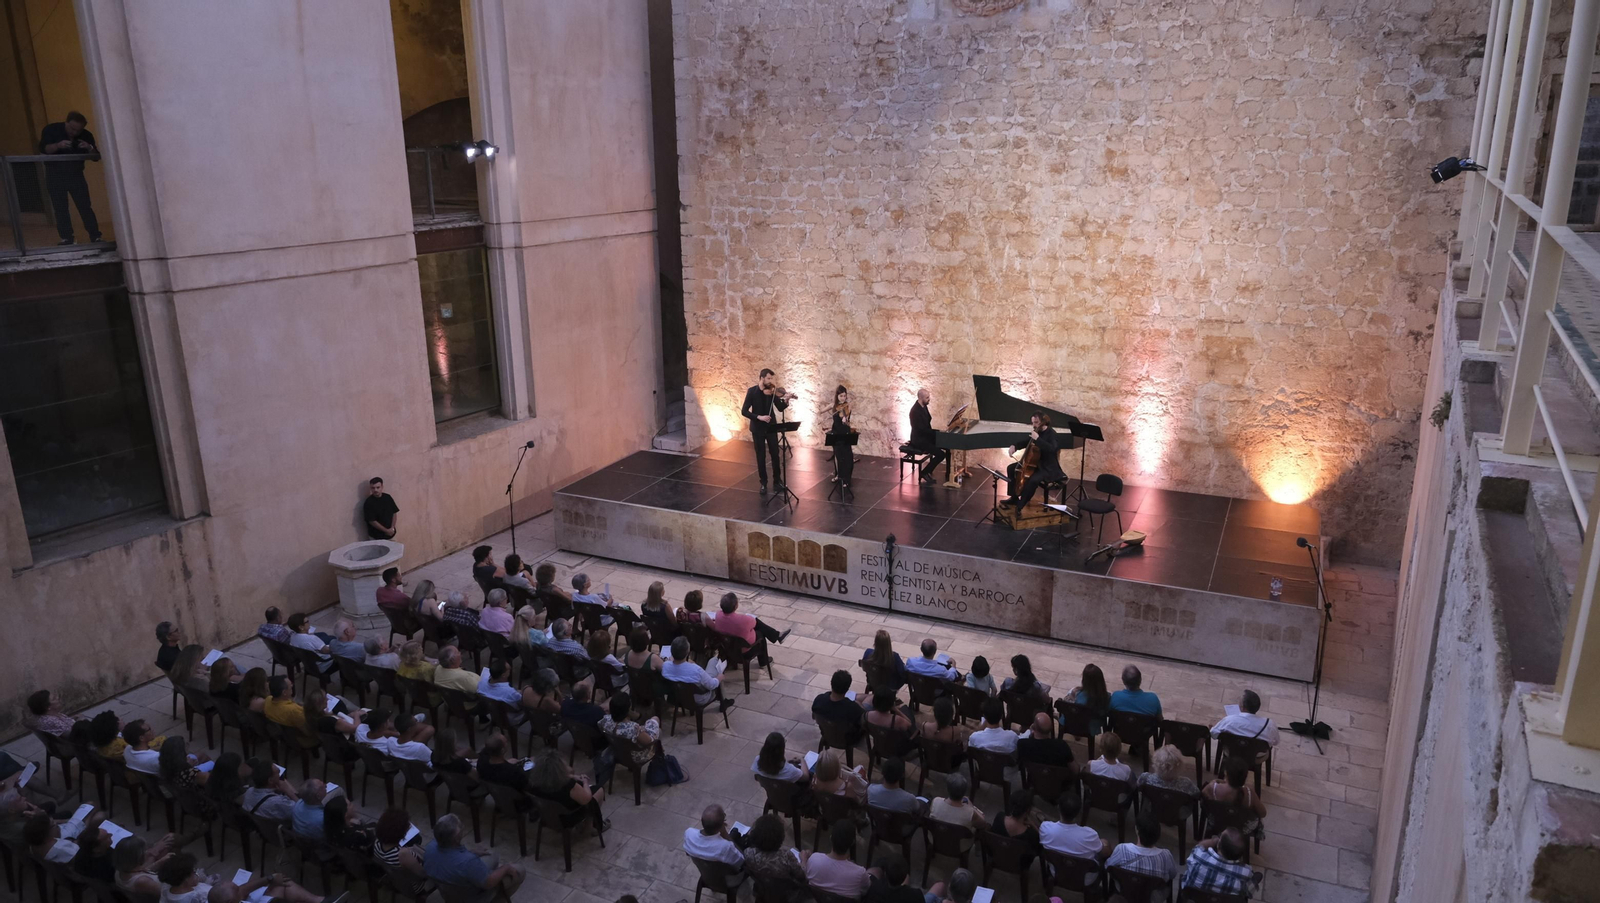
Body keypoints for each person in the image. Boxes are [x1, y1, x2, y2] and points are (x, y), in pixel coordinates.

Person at [423, 813, 523, 901]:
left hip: (449, 894)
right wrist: (506, 868)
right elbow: (489, 883)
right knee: (519, 870)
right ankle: (498, 900)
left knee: (492, 856)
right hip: (472, 898)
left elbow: (452, 859)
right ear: (457, 837)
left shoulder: (430, 848)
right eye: (461, 826)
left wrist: (470, 853)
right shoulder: (468, 862)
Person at [38, 111, 102, 245]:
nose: (75, 133)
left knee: (85, 206)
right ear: (66, 122)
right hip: (55, 174)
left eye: (78, 130)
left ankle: (95, 236)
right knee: (60, 207)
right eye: (72, 128)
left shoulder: (86, 135)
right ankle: (67, 237)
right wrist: (58, 146)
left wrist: (89, 147)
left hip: (76, 174)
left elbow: (96, 157)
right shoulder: (51, 130)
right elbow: (44, 149)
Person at [528, 748, 606, 833]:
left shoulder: (536, 781)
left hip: (546, 815)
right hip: (566, 818)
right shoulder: (568, 785)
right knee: (599, 790)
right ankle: (589, 827)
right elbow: (586, 799)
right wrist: (585, 782)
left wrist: (572, 776)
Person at [1107, 811, 1180, 895]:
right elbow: (1172, 875)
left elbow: (1109, 866)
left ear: (1137, 830)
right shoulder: (1166, 856)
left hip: (1125, 891)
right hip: (1151, 897)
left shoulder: (1122, 849)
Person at [741, 368, 790, 492]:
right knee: (760, 456)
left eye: (771, 379)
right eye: (768, 378)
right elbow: (744, 411)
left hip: (771, 427)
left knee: (775, 454)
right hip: (757, 428)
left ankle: (777, 481)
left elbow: (780, 407)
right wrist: (759, 417)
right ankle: (763, 482)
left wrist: (787, 399)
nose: (770, 381)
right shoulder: (752, 392)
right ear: (762, 378)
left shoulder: (772, 392)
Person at [1003, 411, 1065, 509]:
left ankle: (1021, 504)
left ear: (1043, 422)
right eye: (1032, 423)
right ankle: (1014, 497)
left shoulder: (1051, 433)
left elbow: (1052, 449)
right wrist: (1015, 446)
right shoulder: (1037, 431)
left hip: (1046, 467)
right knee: (1011, 468)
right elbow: (1027, 441)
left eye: (1036, 422)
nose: (1034, 425)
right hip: (1034, 463)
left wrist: (1038, 439)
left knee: (1032, 480)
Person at [710, 592, 790, 662]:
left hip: (726, 648)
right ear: (735, 606)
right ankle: (764, 660)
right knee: (760, 633)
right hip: (744, 651)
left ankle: (777, 635)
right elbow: (754, 623)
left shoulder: (718, 615)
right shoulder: (743, 620)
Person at [742, 813, 806, 900]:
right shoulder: (786, 857)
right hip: (786, 893)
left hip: (762, 888)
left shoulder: (748, 853)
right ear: (780, 837)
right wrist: (804, 860)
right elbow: (801, 876)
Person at [1202, 758, 1267, 839]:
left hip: (1218, 823)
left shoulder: (1213, 788)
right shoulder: (1250, 794)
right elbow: (1263, 813)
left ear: (1226, 773)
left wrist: (1217, 781)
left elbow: (1203, 799)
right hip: (1241, 828)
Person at [662, 636, 733, 711]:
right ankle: (723, 700)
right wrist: (719, 678)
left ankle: (723, 699)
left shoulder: (665, 665)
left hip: (675, 697)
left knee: (711, 665)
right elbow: (711, 685)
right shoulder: (695, 670)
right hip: (698, 699)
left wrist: (670, 660)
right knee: (714, 662)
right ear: (687, 652)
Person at [1180, 828, 1255, 898]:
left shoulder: (1199, 857)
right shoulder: (1245, 873)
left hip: (1192, 899)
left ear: (1218, 845)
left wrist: (1213, 841)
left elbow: (1199, 846)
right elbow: (1249, 893)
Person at [682, 804, 745, 886]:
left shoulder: (689, 834)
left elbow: (687, 852)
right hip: (726, 879)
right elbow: (741, 861)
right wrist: (725, 835)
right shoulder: (724, 847)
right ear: (722, 824)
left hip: (706, 874)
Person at [805, 821, 871, 897]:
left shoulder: (814, 859)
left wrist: (804, 860)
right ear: (853, 843)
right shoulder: (860, 873)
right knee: (875, 869)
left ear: (831, 838)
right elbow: (867, 888)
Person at [373, 808, 429, 898]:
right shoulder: (403, 854)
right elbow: (423, 874)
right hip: (412, 887)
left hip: (394, 880)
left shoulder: (376, 843)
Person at [1040, 792, 1106, 865]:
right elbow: (1105, 853)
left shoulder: (1045, 829)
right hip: (1085, 876)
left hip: (1055, 872)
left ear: (1058, 808)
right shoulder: (1090, 835)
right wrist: (1105, 843)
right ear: (1078, 812)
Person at [599, 692, 660, 769]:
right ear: (628, 709)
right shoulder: (633, 728)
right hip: (633, 757)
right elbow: (649, 741)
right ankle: (660, 759)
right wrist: (643, 729)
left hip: (617, 751)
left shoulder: (605, 720)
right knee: (655, 720)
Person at [928, 773, 985, 848]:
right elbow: (983, 823)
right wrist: (972, 806)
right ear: (964, 792)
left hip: (935, 840)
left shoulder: (936, 801)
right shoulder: (970, 812)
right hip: (959, 846)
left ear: (947, 789)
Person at [112, 834, 175, 900]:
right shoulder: (143, 882)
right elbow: (169, 895)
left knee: (169, 841)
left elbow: (142, 871)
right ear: (139, 857)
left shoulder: (119, 871)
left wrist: (161, 861)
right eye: (145, 850)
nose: (147, 852)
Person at [865, 851, 943, 903]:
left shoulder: (874, 887)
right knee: (940, 886)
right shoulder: (915, 895)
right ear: (904, 876)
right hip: (904, 894)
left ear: (885, 874)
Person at [813, 669, 865, 745]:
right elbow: (863, 720)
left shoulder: (819, 700)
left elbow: (814, 717)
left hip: (826, 734)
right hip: (848, 739)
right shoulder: (853, 708)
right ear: (847, 688)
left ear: (831, 683)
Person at [990, 792, 1040, 871]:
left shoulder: (999, 817)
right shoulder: (1031, 834)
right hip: (1020, 864)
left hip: (997, 856)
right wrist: (1034, 825)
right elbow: (1040, 848)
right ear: (1028, 810)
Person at [264, 676, 318, 749]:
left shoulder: (267, 700)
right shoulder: (294, 711)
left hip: (284, 736)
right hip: (300, 739)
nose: (292, 685)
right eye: (290, 686)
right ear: (284, 692)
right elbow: (308, 732)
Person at [1211, 689, 1278, 748]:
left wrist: (1212, 727)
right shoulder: (1269, 724)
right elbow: (1275, 741)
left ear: (1242, 707)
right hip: (1255, 757)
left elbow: (1214, 734)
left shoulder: (1229, 720)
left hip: (1233, 752)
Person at [908, 388, 949, 483]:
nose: (929, 399)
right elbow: (921, 430)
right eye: (927, 397)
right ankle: (924, 472)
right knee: (940, 454)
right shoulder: (915, 411)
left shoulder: (923, 406)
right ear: (921, 398)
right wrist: (937, 432)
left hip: (926, 436)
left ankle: (949, 473)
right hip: (919, 440)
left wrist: (937, 433)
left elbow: (927, 425)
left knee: (947, 446)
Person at [240, 756, 298, 820]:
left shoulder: (249, 791)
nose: (280, 775)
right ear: (270, 780)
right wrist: (288, 791)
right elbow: (302, 810)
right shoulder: (279, 802)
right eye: (278, 773)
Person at [1068, 663, 1113, 735]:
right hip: (1093, 726)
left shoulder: (1076, 693)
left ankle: (1076, 734)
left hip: (1077, 723)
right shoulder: (1107, 697)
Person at [830, 384, 857, 490]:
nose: (843, 398)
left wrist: (845, 419)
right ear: (837, 396)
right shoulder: (834, 406)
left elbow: (847, 418)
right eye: (841, 396)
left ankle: (847, 478)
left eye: (844, 396)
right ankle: (839, 475)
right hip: (836, 432)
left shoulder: (848, 406)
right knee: (837, 455)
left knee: (847, 456)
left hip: (845, 432)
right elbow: (822, 410)